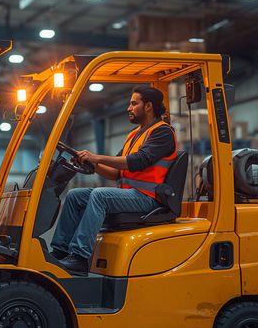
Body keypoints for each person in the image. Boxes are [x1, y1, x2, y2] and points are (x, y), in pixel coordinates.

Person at [51, 86, 178, 276]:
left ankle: (79, 258)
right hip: (129, 195)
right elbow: (115, 172)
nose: (129, 108)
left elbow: (138, 161)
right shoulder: (133, 135)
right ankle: (59, 252)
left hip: (149, 198)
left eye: (134, 103)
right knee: (75, 195)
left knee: (100, 195)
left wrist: (97, 158)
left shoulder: (163, 132)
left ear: (149, 106)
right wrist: (91, 164)